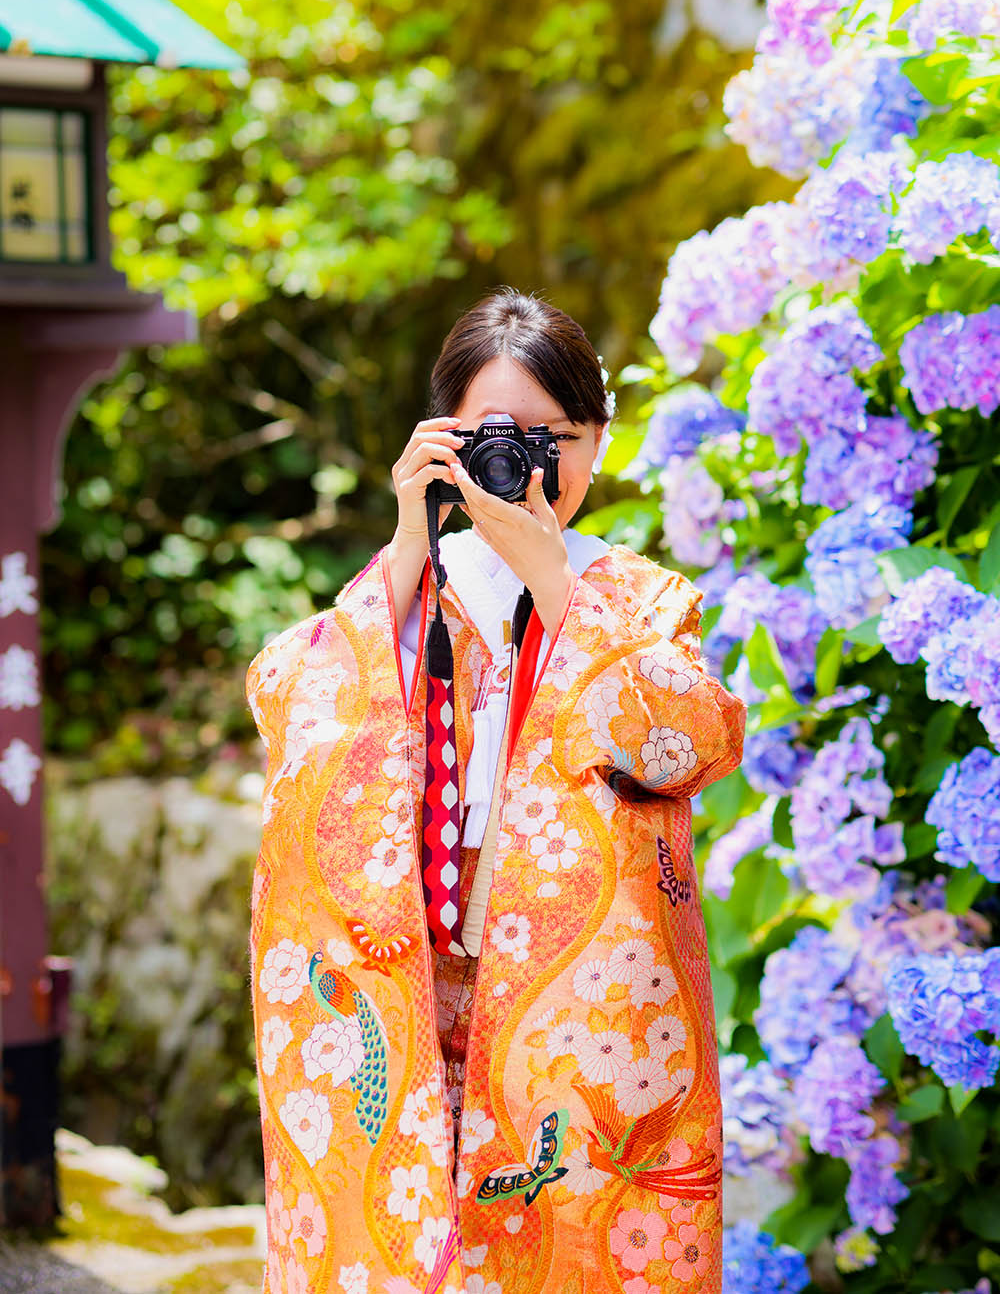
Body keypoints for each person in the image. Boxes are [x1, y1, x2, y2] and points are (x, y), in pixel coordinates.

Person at [246, 289, 746, 1294]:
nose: (518, 462)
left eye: (548, 435)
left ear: (598, 438)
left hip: (586, 986)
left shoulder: (638, 594)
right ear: (438, 441)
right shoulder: (403, 583)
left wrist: (556, 583)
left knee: (575, 1219)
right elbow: (287, 706)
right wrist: (403, 542)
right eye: (488, 435)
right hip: (411, 962)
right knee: (404, 1211)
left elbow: (692, 738)